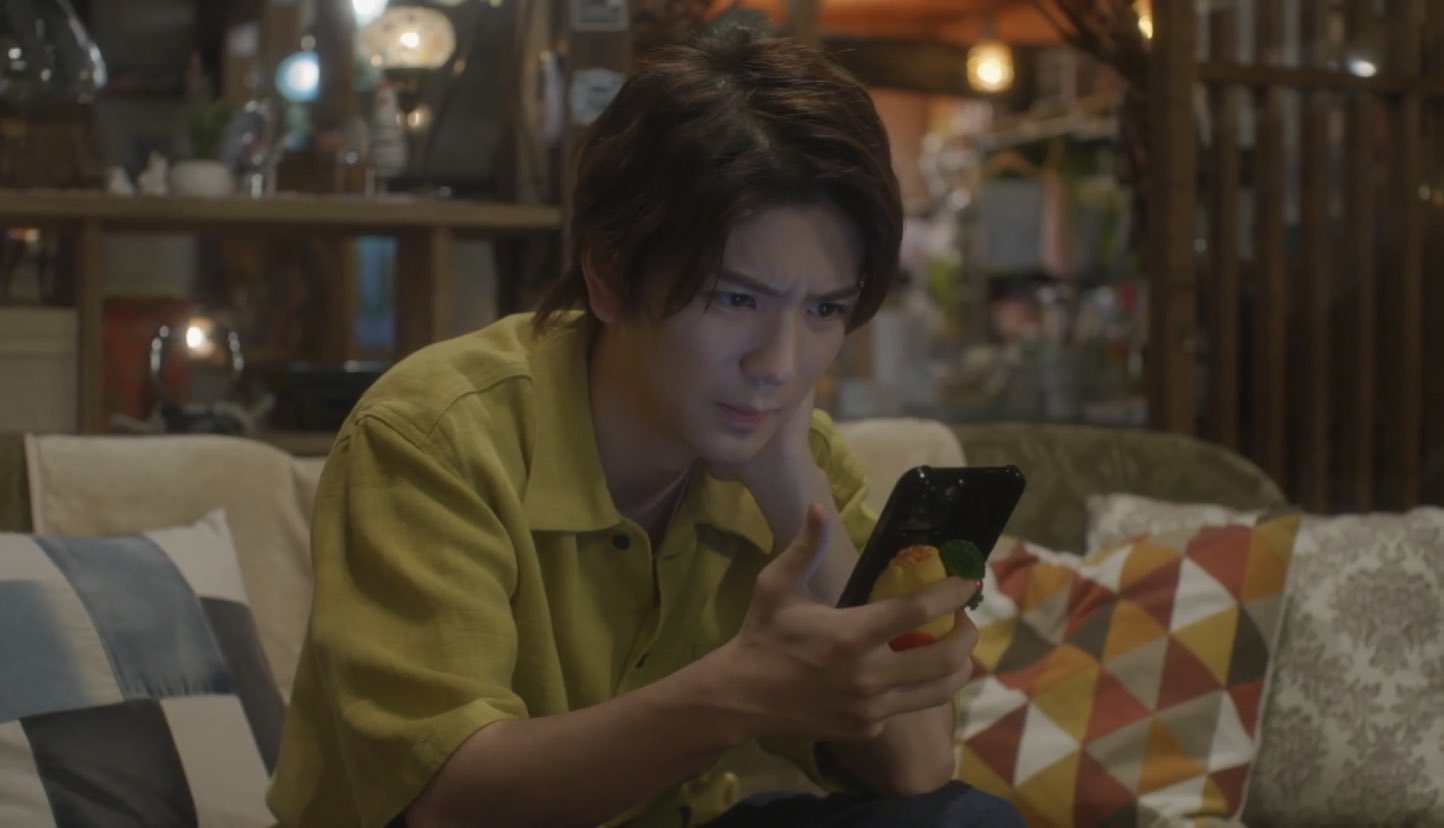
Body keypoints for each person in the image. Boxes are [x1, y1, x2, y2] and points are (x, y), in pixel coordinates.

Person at [267, 26, 1023, 828]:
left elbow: (916, 768)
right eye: (736, 299)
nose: (779, 364)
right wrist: (733, 695)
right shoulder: (434, 435)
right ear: (608, 275)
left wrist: (792, 488)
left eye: (825, 310)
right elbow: (447, 803)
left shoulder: (794, 449)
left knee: (963, 822)